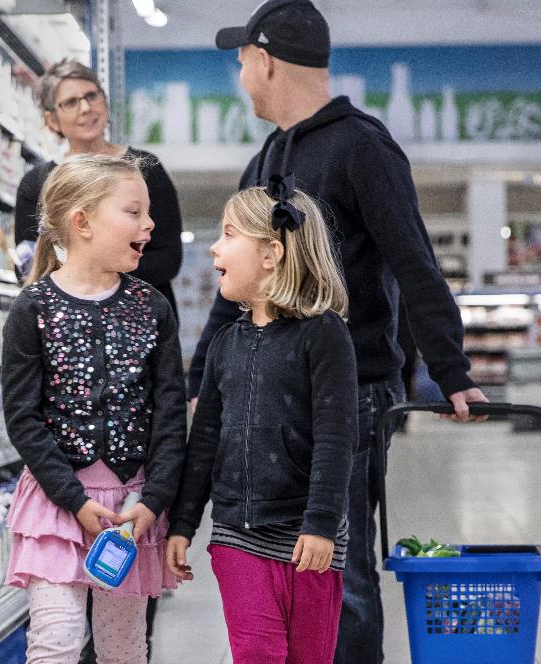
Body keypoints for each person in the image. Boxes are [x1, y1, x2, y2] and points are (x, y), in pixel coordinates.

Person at [191, 2, 490, 662]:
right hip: (266, 395)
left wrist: (452, 371)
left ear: (265, 60)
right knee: (274, 561)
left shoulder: (362, 146)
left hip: (348, 393)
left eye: (242, 63)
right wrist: (199, 382)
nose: (241, 78)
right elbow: (236, 291)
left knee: (341, 571)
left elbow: (413, 261)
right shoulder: (264, 161)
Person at [1, 154, 187, 664]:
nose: (150, 224)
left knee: (124, 649)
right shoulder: (32, 308)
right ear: (82, 222)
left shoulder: (152, 308)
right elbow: (22, 416)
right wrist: (73, 498)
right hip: (57, 507)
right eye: (133, 212)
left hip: (131, 509)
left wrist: (154, 501)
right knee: (54, 642)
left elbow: (170, 415)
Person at [167, 184, 357, 664]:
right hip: (238, 536)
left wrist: (321, 524)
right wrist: (183, 523)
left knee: (309, 657)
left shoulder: (324, 333)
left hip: (308, 539)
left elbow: (337, 440)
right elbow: (204, 441)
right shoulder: (224, 345)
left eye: (228, 234)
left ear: (271, 253)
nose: (214, 247)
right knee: (257, 652)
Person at [15, 59, 183, 315]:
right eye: (70, 102)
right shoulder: (37, 183)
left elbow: (169, 257)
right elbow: (27, 261)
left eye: (91, 96)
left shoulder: (145, 168)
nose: (85, 107)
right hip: (63, 323)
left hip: (141, 318)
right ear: (51, 120)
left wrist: (98, 272)